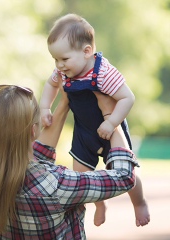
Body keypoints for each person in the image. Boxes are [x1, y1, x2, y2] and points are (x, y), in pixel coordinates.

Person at [0, 84, 140, 239]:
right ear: (34, 131)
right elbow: (124, 177)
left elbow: (40, 153)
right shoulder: (56, 184)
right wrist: (111, 118)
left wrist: (65, 102)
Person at [40, 13, 150, 227]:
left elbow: (128, 97)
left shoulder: (103, 73)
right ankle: (100, 204)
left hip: (110, 128)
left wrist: (111, 122)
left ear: (87, 51)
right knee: (81, 176)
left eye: (64, 59)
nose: (59, 65)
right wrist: (45, 107)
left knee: (126, 173)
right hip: (84, 131)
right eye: (55, 59)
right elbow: (50, 85)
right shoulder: (63, 73)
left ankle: (139, 203)